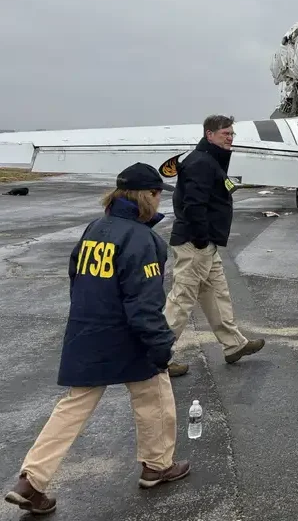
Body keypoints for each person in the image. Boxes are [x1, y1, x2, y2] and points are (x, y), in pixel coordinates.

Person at [4, 163, 190, 516]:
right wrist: (161, 345)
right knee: (154, 392)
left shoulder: (95, 228)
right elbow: (145, 304)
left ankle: (31, 480)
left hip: (87, 328)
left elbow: (75, 275)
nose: (159, 200)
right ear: (148, 196)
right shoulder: (143, 239)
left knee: (74, 405)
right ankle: (157, 465)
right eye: (157, 194)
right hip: (127, 335)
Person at [165, 115, 264, 377]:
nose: (230, 138)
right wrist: (200, 238)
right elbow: (193, 204)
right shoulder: (201, 163)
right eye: (224, 134)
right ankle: (156, 357)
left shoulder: (210, 160)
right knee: (182, 299)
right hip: (195, 243)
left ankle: (234, 345)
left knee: (217, 294)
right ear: (209, 135)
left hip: (206, 243)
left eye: (231, 133)